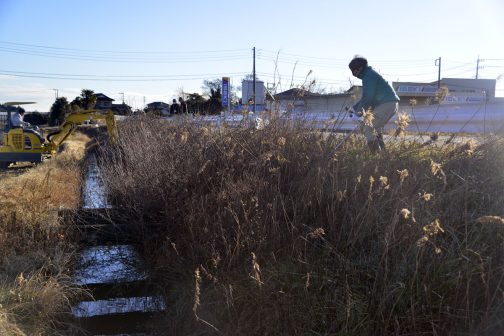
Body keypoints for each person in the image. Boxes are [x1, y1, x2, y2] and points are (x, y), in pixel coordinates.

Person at [348, 56, 399, 152]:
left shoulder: (368, 76)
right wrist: (354, 109)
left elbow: (368, 98)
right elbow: (366, 97)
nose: (353, 74)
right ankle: (383, 155)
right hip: (387, 104)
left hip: (386, 104)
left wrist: (358, 112)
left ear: (359, 68)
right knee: (376, 129)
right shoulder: (369, 74)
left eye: (353, 71)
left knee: (369, 129)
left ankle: (376, 157)